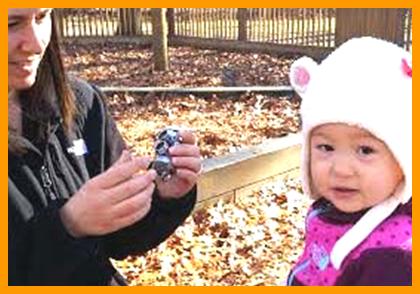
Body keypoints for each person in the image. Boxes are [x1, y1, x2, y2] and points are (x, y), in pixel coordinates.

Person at [8, 8, 201, 286]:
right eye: (13, 24)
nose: (36, 43)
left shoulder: (79, 103)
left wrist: (166, 198)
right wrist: (68, 225)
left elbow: (120, 241)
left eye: (42, 17)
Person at [286, 36, 412, 285]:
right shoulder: (331, 209)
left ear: (405, 160)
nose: (341, 169)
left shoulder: (394, 258)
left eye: (365, 150)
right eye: (326, 147)